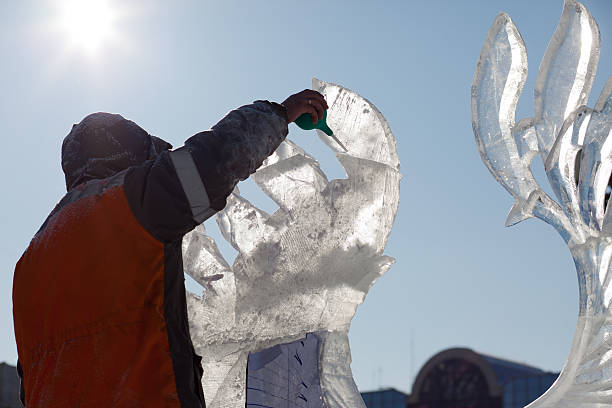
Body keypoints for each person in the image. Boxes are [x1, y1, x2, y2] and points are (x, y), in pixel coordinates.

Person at [12, 90, 328, 407]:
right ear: (124, 158)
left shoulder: (28, 263)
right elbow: (212, 162)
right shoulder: (133, 202)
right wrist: (278, 114)